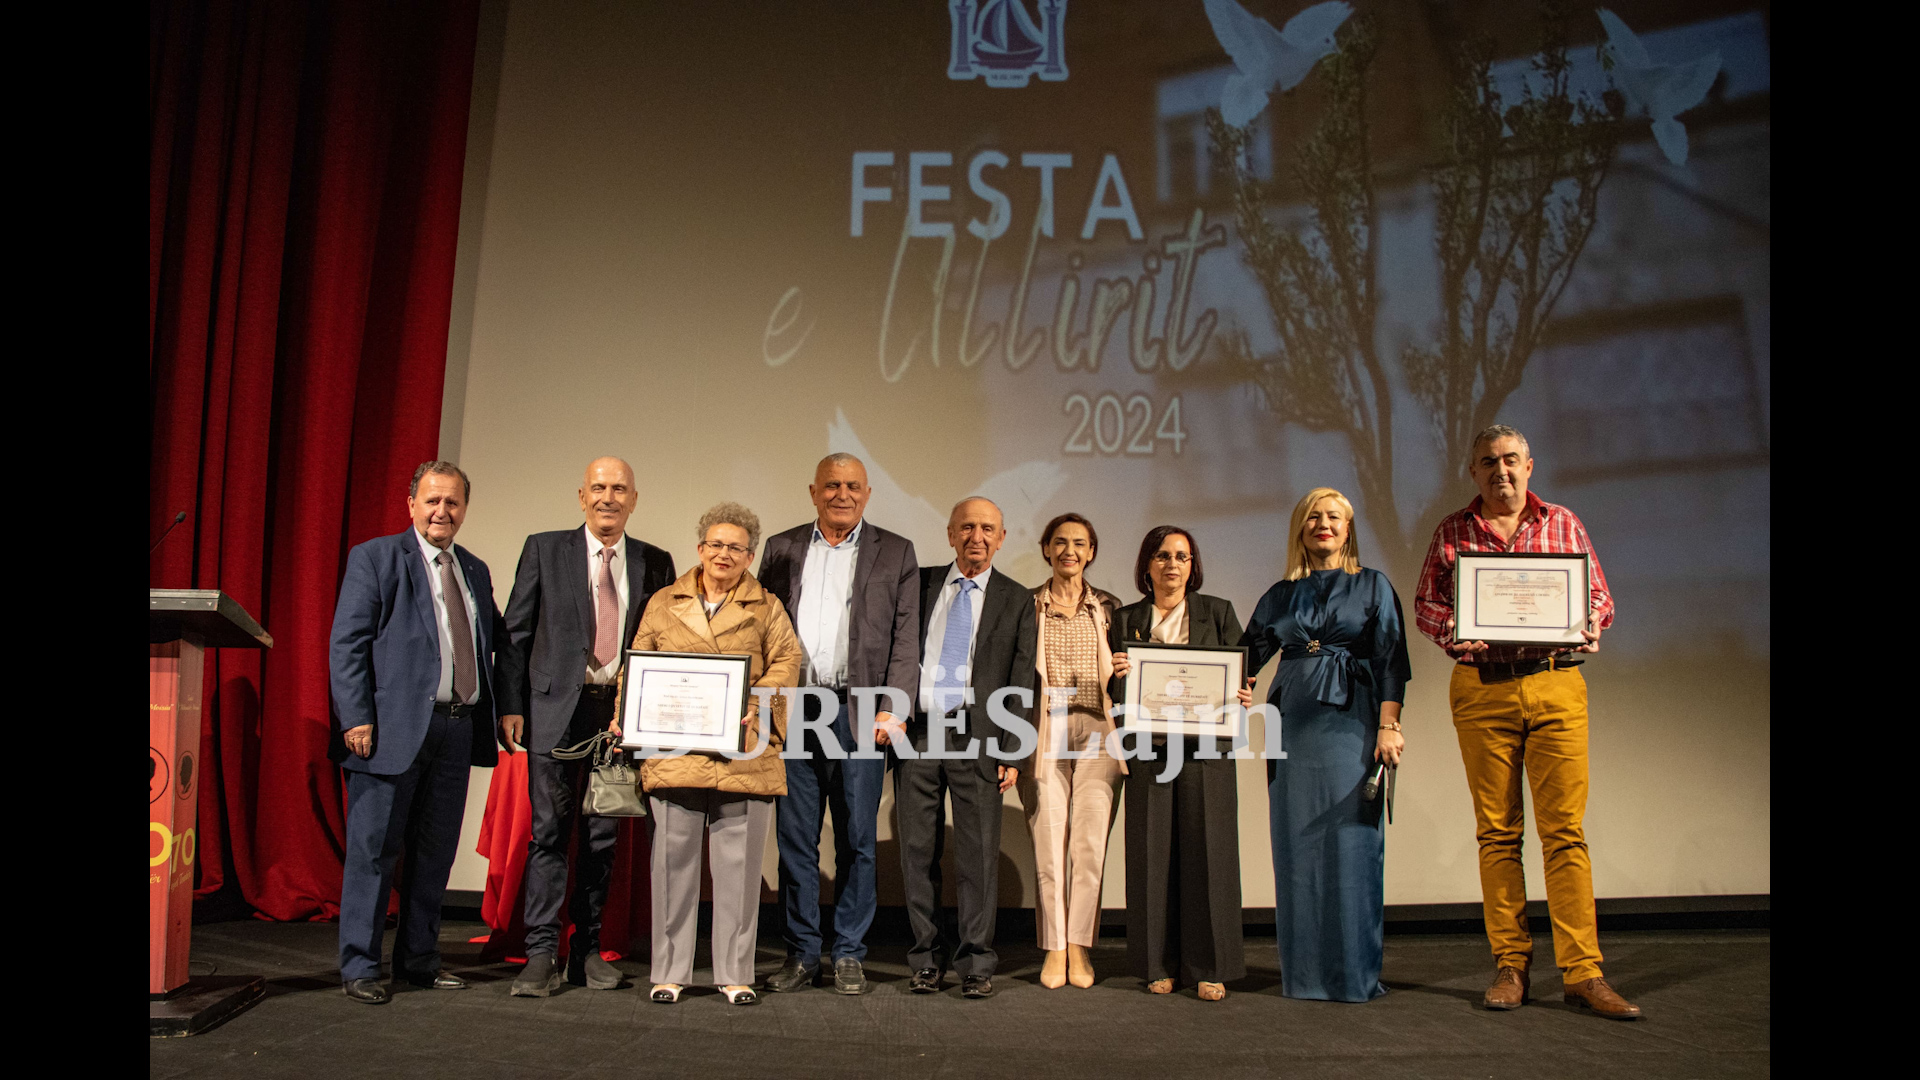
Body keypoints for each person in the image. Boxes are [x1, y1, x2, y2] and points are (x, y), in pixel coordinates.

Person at [1414, 425, 1640, 1020]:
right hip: (1482, 688)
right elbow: (1427, 605)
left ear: (1530, 465)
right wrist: (1456, 630)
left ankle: (1583, 973)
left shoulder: (1564, 522)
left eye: (1510, 460)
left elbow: (1600, 598)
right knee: (1498, 833)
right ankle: (1510, 966)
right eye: (1488, 462)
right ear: (1474, 472)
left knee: (1565, 832)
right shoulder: (1453, 531)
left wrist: (1588, 623)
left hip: (1556, 681)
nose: (1500, 471)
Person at [496, 457, 676, 997]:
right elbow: (515, 633)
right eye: (599, 487)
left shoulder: (654, 561)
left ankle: (588, 951)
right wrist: (512, 705)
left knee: (602, 840)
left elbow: (663, 645)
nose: (608, 497)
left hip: (618, 720)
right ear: (582, 495)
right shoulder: (544, 548)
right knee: (548, 835)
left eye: (620, 488)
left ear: (634, 499)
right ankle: (540, 954)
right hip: (554, 715)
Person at [328, 461, 506, 1004]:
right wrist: (356, 716)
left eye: (452, 503)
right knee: (373, 851)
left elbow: (497, 640)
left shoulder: (473, 569)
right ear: (411, 504)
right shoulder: (377, 557)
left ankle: (419, 961)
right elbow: (348, 644)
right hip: (388, 733)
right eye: (432, 501)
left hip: (455, 731)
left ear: (465, 510)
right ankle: (360, 965)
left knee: (434, 854)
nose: (441, 512)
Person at [757, 453, 920, 995]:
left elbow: (905, 640)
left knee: (858, 840)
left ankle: (849, 951)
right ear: (813, 492)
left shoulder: (896, 551)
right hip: (798, 708)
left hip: (861, 709)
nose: (842, 494)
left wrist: (893, 706)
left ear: (868, 493)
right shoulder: (780, 547)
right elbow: (759, 630)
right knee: (795, 839)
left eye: (853, 486)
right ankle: (802, 953)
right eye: (832, 485)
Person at [1243, 488, 1411, 1002]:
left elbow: (1390, 661)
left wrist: (1389, 727)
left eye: (1333, 517)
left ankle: (1352, 976)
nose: (1323, 524)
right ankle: (1306, 976)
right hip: (1291, 727)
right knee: (1297, 848)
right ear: (1300, 528)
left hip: (1354, 727)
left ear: (1348, 528)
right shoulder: (1279, 594)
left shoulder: (1373, 585)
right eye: (1313, 516)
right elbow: (1241, 658)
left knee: (1353, 845)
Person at [630, 503, 802, 1005]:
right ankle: (669, 972)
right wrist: (629, 712)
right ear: (700, 548)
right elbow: (638, 664)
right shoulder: (664, 601)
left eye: (736, 547)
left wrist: (756, 711)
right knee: (672, 866)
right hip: (676, 749)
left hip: (742, 750)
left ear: (750, 556)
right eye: (715, 544)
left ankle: (735, 973)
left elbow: (788, 662)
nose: (724, 554)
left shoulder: (766, 606)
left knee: (739, 871)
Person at [897, 497, 1037, 999]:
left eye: (987, 529)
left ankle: (976, 962)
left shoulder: (1018, 599)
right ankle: (924, 959)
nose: (976, 536)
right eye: (967, 527)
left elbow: (1022, 679)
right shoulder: (920, 583)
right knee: (916, 852)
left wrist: (1013, 750)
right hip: (919, 733)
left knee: (977, 856)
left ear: (1001, 538)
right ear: (951, 533)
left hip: (980, 739)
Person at [1110, 526, 1253, 1001]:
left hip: (1206, 751)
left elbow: (1238, 676)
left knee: (1208, 853)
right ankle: (1157, 964)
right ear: (1146, 565)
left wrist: (1242, 693)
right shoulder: (1125, 618)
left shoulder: (1218, 612)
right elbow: (1113, 691)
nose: (1173, 565)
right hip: (1149, 750)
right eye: (1163, 556)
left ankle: (1209, 966)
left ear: (1193, 566)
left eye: (1182, 557)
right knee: (1151, 855)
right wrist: (1120, 679)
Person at [1019, 512, 1124, 990]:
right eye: (1059, 542)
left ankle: (1080, 947)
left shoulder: (1109, 607)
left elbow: (1128, 675)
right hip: (1045, 730)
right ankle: (1055, 948)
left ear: (1092, 552)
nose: (1069, 551)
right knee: (1048, 844)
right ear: (1046, 549)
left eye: (1079, 543)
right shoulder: (1026, 606)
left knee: (1088, 846)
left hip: (1099, 729)